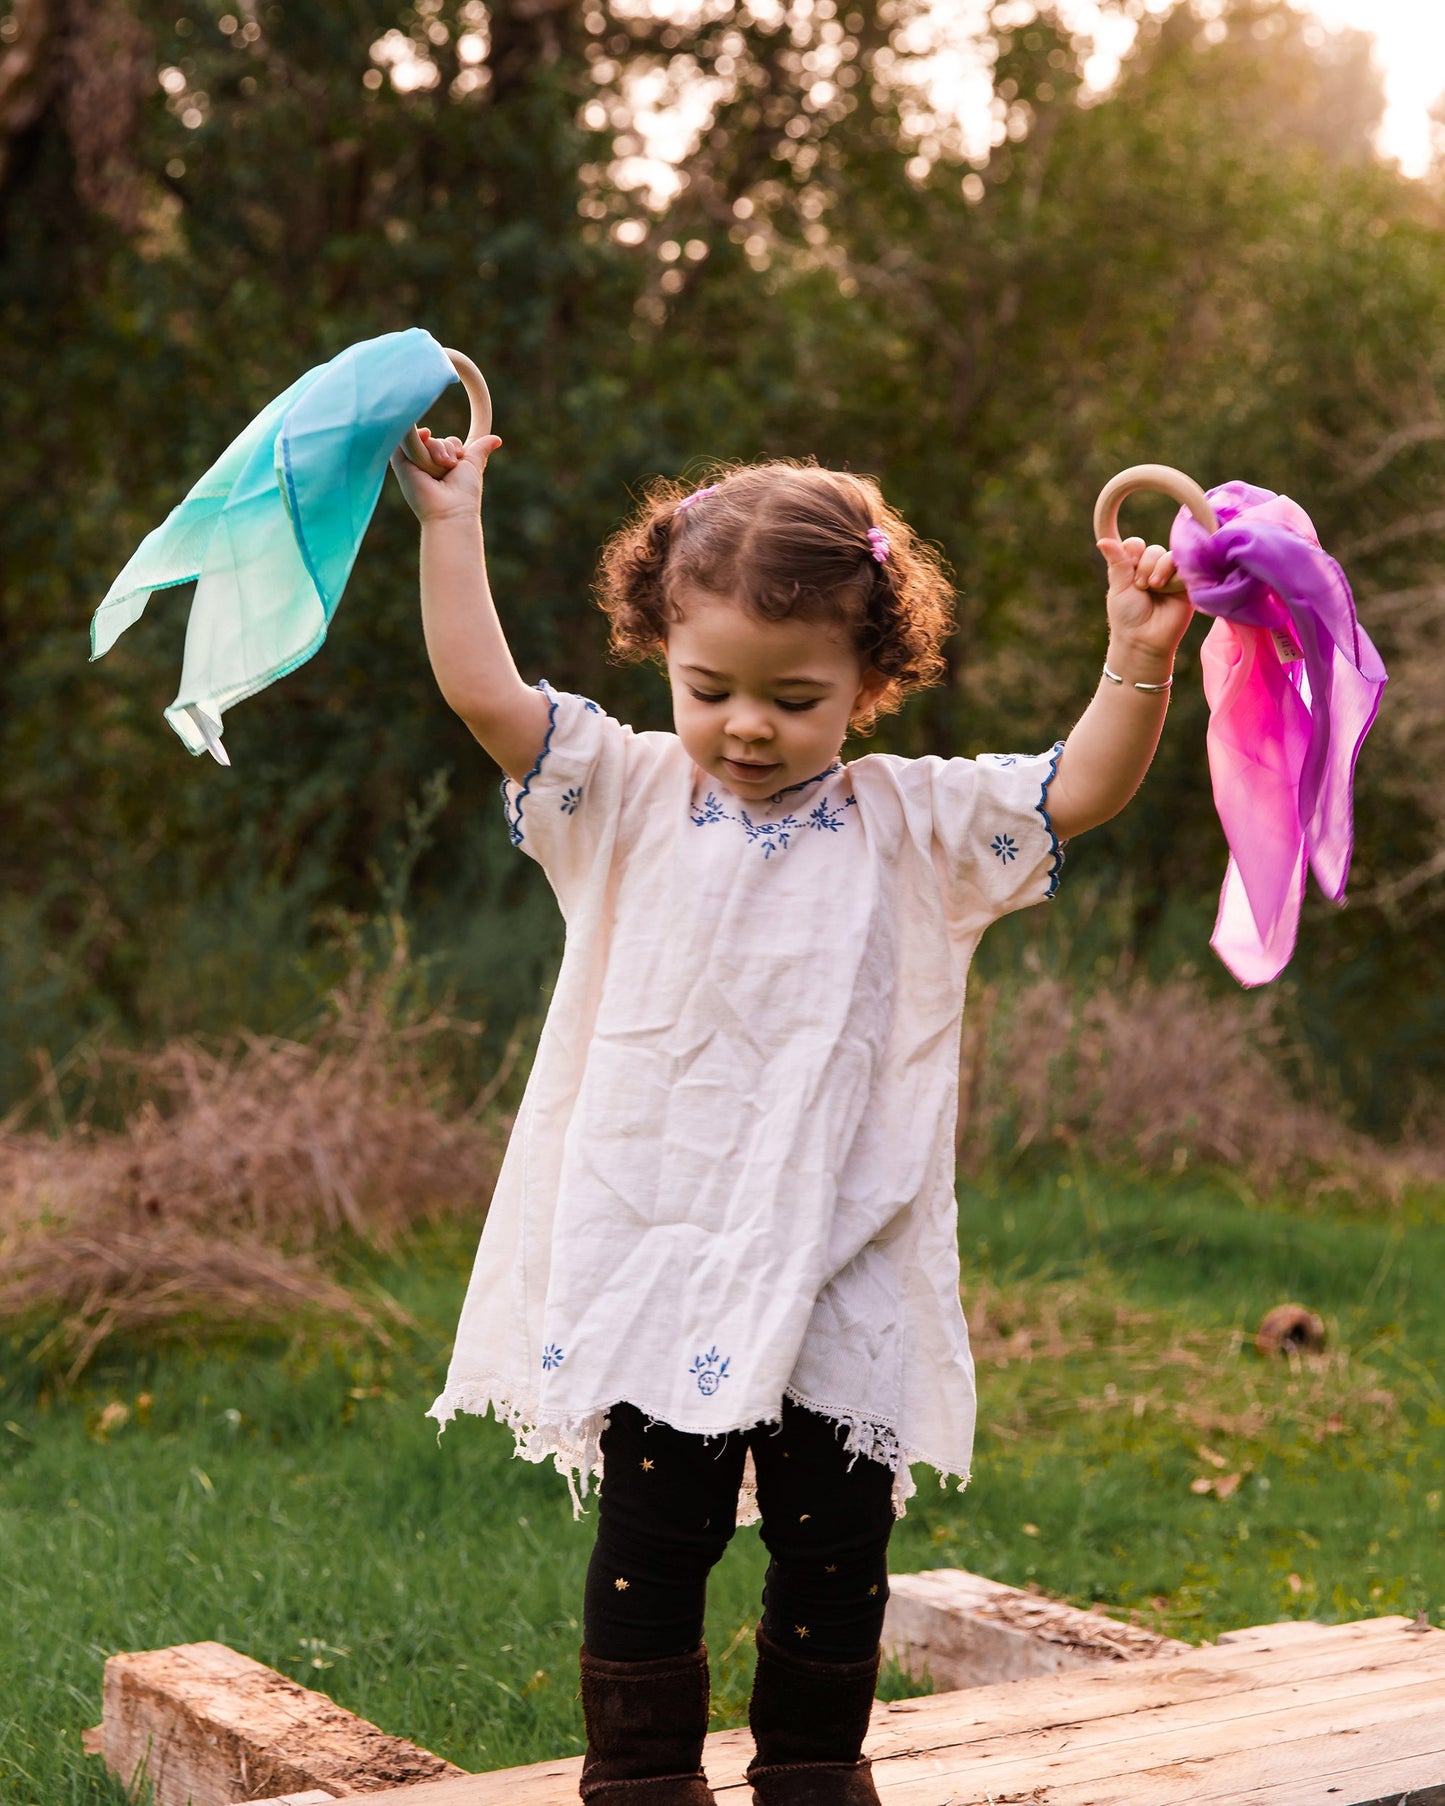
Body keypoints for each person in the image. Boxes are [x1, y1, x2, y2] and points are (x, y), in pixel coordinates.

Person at [392, 429, 1189, 1806]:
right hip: (662, 1248)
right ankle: (639, 1781)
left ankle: (815, 1774)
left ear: (870, 684)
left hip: (841, 1264)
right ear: (659, 651)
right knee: (654, 1539)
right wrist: (449, 518)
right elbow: (483, 691)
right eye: (708, 688)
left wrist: (1139, 654)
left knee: (833, 1553)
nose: (745, 726)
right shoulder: (623, 793)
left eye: (793, 696)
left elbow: (1079, 788)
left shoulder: (915, 825)